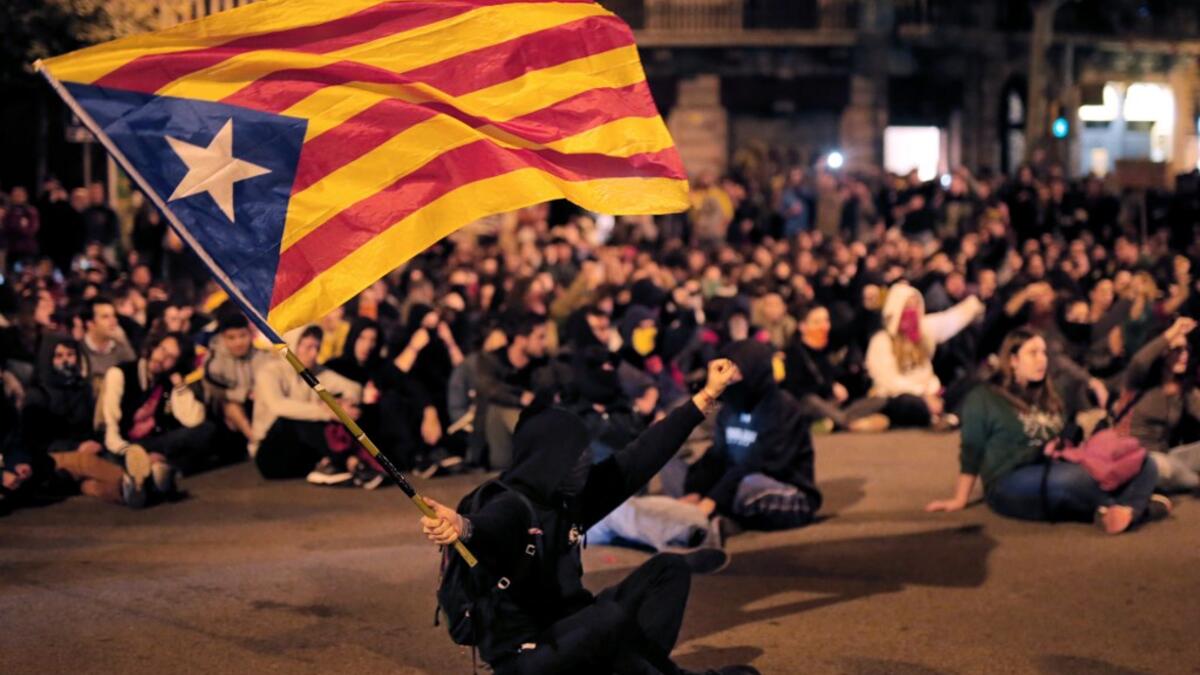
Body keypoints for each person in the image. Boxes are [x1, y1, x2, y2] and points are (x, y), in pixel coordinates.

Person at [420, 357, 757, 675]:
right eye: (576, 453)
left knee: (668, 570)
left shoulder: (571, 496)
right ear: (549, 457)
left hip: (574, 631)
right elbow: (491, 527)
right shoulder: (511, 503)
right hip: (527, 656)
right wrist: (463, 527)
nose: (586, 458)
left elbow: (642, 455)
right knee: (605, 618)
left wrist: (707, 395)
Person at [927, 328, 1167, 534]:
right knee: (1076, 480)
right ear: (1012, 360)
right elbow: (971, 449)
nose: (1041, 360)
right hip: (1008, 480)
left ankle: (1123, 510)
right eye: (1032, 353)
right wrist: (960, 498)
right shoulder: (984, 398)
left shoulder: (1053, 394)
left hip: (1056, 464)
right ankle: (1139, 506)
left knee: (1144, 461)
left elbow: (1071, 437)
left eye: (1043, 353)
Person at [685, 340, 823, 531]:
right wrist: (694, 491)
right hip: (738, 482)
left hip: (785, 490)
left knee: (747, 484)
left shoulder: (782, 408)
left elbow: (757, 463)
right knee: (677, 465)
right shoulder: (729, 407)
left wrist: (711, 499)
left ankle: (719, 515)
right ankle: (718, 515)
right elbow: (718, 455)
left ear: (754, 370)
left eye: (733, 370)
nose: (726, 378)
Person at [7, 336, 152, 508]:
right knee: (85, 462)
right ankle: (137, 483)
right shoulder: (37, 395)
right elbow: (33, 440)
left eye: (70, 354)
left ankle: (129, 492)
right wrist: (75, 447)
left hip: (83, 450)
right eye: (59, 356)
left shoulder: (81, 388)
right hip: (50, 456)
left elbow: (91, 426)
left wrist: (94, 442)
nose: (66, 360)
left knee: (90, 483)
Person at [250, 325, 371, 487]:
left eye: (317, 348)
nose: (314, 353)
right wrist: (326, 411)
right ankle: (349, 461)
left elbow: (355, 388)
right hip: (270, 454)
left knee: (359, 410)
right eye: (308, 347)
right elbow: (278, 406)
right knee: (293, 419)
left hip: (301, 452)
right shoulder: (269, 372)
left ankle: (335, 465)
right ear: (292, 346)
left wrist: (343, 403)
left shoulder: (316, 371)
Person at [100, 331, 212, 490]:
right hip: (123, 445)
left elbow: (193, 419)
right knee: (114, 461)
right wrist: (133, 453)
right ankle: (155, 471)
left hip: (154, 442)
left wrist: (179, 385)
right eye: (162, 349)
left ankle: (158, 468)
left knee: (206, 429)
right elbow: (110, 428)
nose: (162, 357)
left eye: (171, 357)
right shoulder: (120, 374)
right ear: (152, 347)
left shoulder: (166, 381)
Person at [865, 281, 983, 428]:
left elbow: (950, 320)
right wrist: (923, 396)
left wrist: (976, 301)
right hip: (903, 397)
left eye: (916, 306)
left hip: (932, 394)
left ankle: (951, 419)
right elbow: (889, 382)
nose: (912, 311)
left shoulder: (923, 332)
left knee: (973, 380)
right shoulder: (881, 341)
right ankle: (934, 417)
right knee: (907, 402)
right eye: (908, 306)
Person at [1121, 317, 1200, 493]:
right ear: (1162, 352)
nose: (1184, 355)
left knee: (1174, 465)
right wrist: (1173, 331)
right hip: (1135, 459)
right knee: (1182, 476)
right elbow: (1139, 360)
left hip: (1168, 456)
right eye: (1177, 350)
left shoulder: (1185, 389)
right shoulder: (1138, 382)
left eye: (1186, 349)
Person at [783, 304, 889, 432]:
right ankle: (850, 424)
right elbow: (797, 390)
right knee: (811, 401)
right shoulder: (793, 352)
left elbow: (853, 328)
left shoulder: (829, 346)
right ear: (803, 327)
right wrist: (830, 387)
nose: (824, 326)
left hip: (834, 403)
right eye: (817, 322)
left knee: (880, 398)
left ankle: (832, 422)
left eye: (826, 320)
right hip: (809, 404)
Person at [475, 313, 552, 470]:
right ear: (521, 339)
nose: (544, 343)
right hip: (494, 432)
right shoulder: (491, 361)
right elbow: (490, 389)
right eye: (540, 337)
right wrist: (520, 398)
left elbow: (550, 395)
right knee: (499, 408)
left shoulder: (543, 365)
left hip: (534, 427)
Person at [78, 296, 137, 391]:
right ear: (90, 324)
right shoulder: (79, 350)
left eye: (114, 316)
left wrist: (124, 342)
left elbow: (134, 376)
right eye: (105, 317)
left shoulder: (121, 346)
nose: (113, 321)